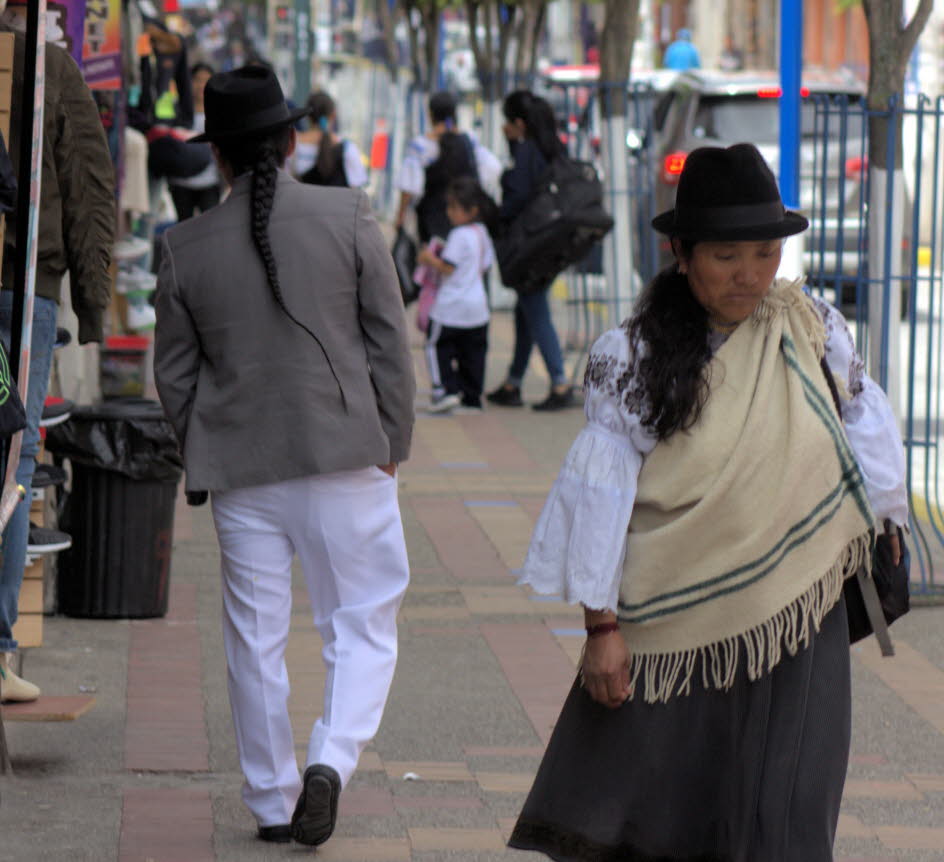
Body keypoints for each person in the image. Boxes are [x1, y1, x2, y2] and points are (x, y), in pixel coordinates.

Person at [507, 143, 908, 861]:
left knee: (789, 806)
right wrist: (601, 629)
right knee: (667, 814)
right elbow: (602, 500)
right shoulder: (629, 357)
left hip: (798, 614)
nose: (749, 275)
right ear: (680, 251)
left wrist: (889, 526)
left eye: (764, 252)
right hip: (674, 624)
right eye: (726, 256)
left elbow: (861, 426)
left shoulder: (812, 330)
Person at [153, 66, 414, 847]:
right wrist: (393, 439)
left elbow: (173, 377)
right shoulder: (349, 215)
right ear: (291, 141)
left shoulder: (183, 246)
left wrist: (203, 450)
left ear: (221, 161)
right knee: (362, 623)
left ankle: (272, 800)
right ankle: (331, 758)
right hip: (346, 456)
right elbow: (388, 343)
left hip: (241, 473)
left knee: (254, 640)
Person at [0, 10, 114, 703]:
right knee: (12, 457)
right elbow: (88, 185)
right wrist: (94, 305)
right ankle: (1, 644)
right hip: (24, 292)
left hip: (25, 288)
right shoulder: (51, 69)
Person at [486, 90, 575, 412]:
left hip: (530, 243)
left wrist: (499, 217)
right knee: (527, 309)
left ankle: (559, 381)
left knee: (535, 310)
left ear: (519, 124)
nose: (503, 129)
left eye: (506, 123)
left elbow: (516, 197)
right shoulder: (552, 148)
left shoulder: (525, 153)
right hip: (550, 240)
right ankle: (513, 382)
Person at [417, 176, 497, 414]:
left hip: (450, 306)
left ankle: (444, 390)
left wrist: (428, 258)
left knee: (436, 346)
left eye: (454, 207)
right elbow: (485, 265)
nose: (449, 213)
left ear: (471, 210)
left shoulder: (459, 235)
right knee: (473, 354)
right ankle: (472, 396)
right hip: (478, 308)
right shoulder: (482, 233)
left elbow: (448, 267)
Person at [394, 90, 501, 243]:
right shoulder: (469, 140)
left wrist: (400, 218)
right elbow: (493, 167)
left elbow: (409, 188)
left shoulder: (421, 146)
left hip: (431, 223)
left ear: (431, 114)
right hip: (466, 217)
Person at [168, 62, 222, 220]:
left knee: (210, 228)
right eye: (197, 79)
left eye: (206, 80)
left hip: (209, 181)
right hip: (181, 181)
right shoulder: (177, 110)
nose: (201, 85)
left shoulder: (219, 112)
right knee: (183, 225)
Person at [292, 90, 368, 188]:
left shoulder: (292, 143)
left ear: (307, 116)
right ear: (333, 115)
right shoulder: (347, 149)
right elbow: (357, 189)